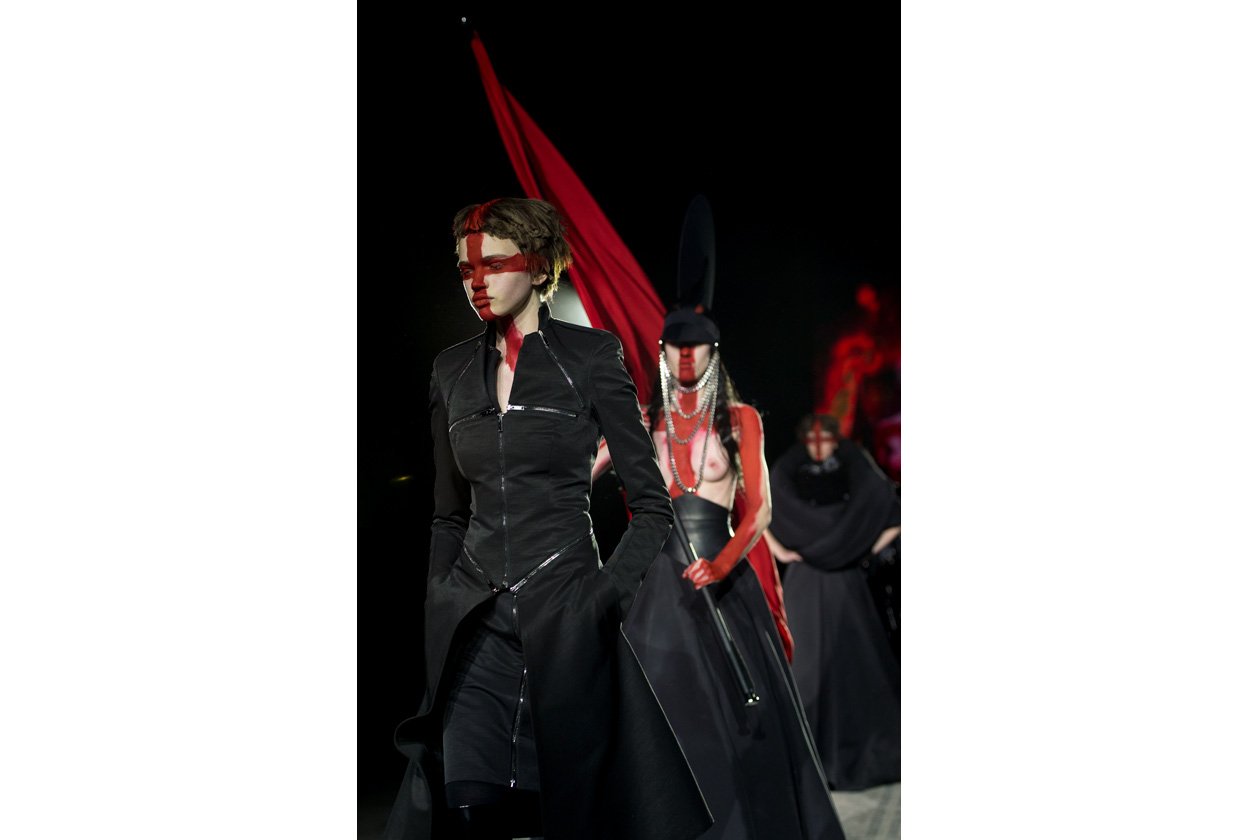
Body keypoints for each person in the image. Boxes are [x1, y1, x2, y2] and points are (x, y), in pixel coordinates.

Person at [384, 198, 711, 840]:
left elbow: (651, 505)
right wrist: (440, 596)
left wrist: (601, 599)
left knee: (564, 813)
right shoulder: (450, 370)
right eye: (466, 269)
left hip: (565, 621)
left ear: (538, 268)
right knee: (470, 807)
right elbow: (448, 514)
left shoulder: (590, 356)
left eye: (495, 264)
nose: (477, 281)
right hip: (474, 627)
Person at [605, 308, 845, 840]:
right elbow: (579, 473)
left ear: (713, 353)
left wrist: (722, 563)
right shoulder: (643, 419)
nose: (686, 355)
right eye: (676, 345)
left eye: (697, 346)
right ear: (663, 352)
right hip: (655, 578)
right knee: (662, 706)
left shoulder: (740, 419)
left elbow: (759, 510)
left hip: (723, 576)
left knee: (745, 711)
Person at [762, 414, 901, 791]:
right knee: (807, 669)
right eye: (812, 439)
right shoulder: (789, 468)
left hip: (843, 579)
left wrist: (863, 551)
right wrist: (780, 551)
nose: (819, 446)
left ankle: (851, 755)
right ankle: (807, 762)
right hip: (808, 579)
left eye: (826, 439)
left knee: (853, 667)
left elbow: (890, 509)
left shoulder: (853, 464)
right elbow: (760, 509)